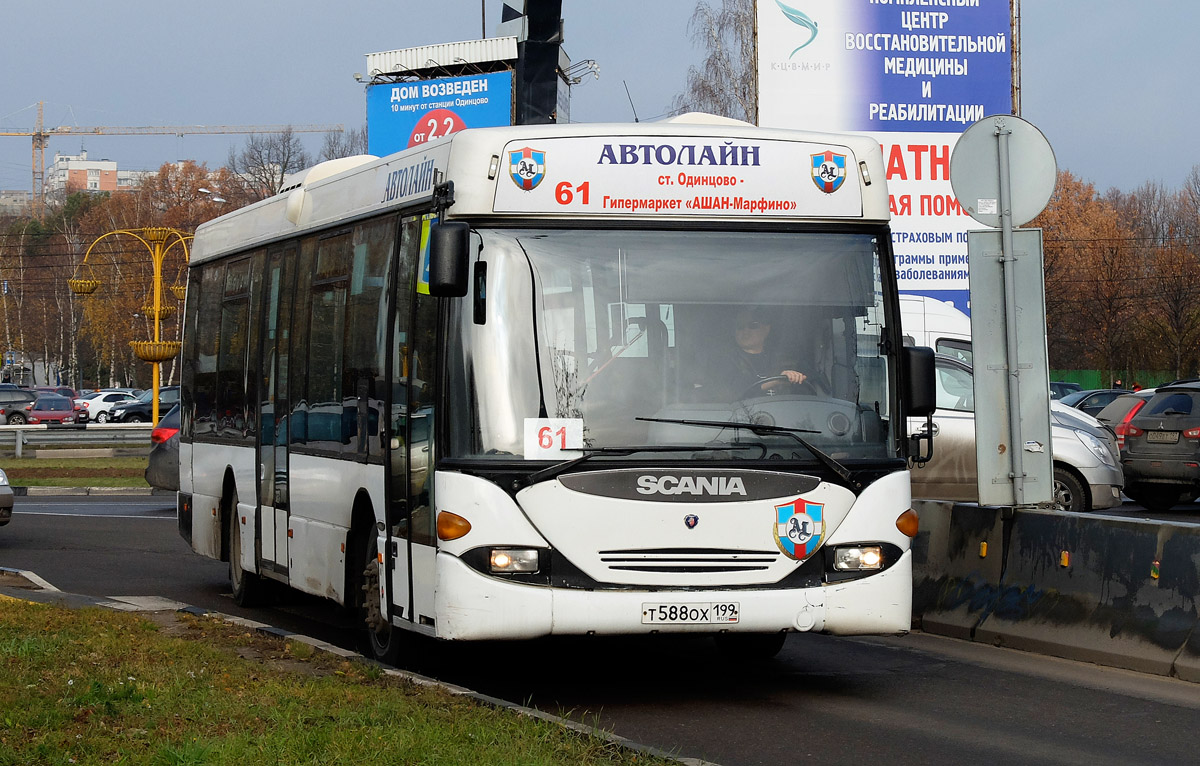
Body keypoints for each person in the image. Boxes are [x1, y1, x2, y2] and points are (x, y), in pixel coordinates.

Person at [698, 307, 808, 400]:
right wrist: (776, 381)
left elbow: (809, 388)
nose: (745, 331)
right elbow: (730, 391)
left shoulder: (784, 359)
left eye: (753, 325)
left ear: (766, 329)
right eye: (740, 327)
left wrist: (795, 377)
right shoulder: (723, 360)